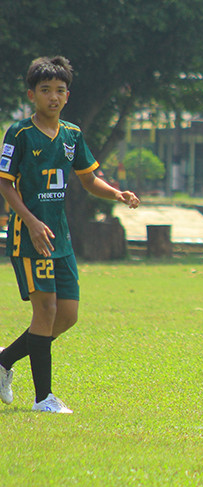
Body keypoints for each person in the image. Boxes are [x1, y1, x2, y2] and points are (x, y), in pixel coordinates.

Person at [0, 56, 141, 414]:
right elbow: (5, 184)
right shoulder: (18, 133)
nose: (53, 97)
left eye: (60, 91)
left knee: (67, 316)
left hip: (60, 237)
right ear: (32, 94)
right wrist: (31, 222)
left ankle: (4, 361)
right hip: (30, 236)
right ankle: (43, 398)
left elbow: (88, 179)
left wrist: (117, 193)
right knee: (44, 311)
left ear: (68, 96)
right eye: (45, 90)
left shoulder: (72, 135)